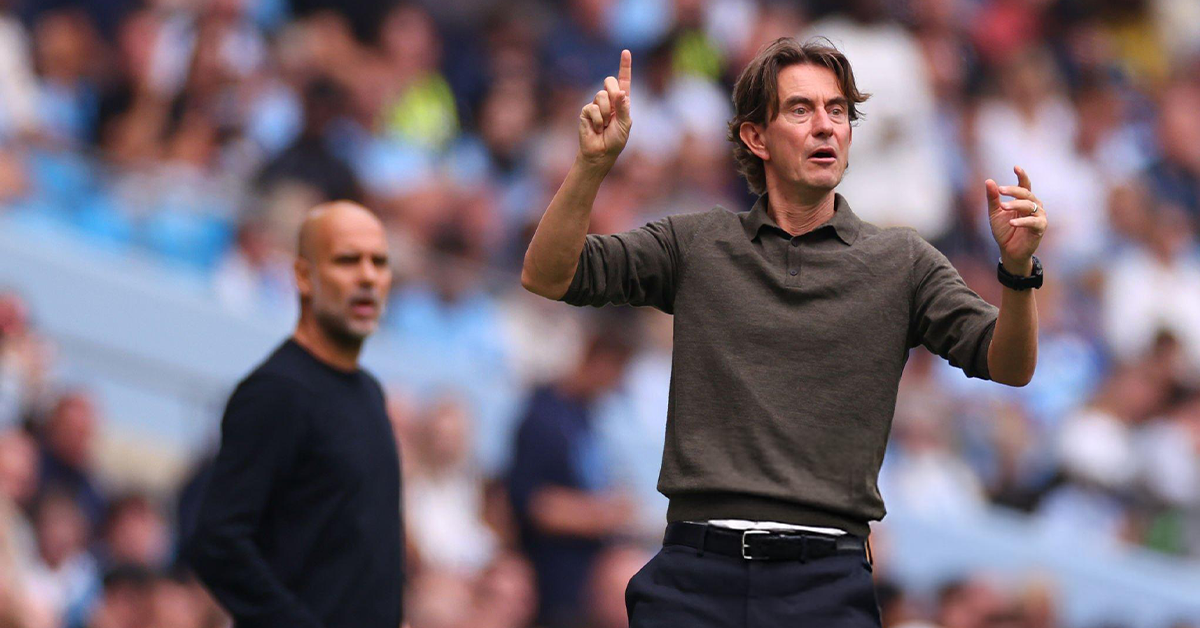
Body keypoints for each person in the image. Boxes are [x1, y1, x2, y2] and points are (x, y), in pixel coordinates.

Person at [520, 38, 1047, 627]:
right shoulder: (697, 243)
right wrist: (592, 165)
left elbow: (1010, 365)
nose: (826, 125)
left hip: (826, 584)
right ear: (756, 137)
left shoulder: (903, 261)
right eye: (801, 109)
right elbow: (548, 274)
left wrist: (1018, 271)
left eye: (838, 110)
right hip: (694, 575)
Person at [186, 201, 403, 628]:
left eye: (379, 262)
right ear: (303, 276)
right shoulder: (276, 392)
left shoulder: (369, 392)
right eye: (347, 260)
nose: (367, 277)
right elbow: (216, 540)